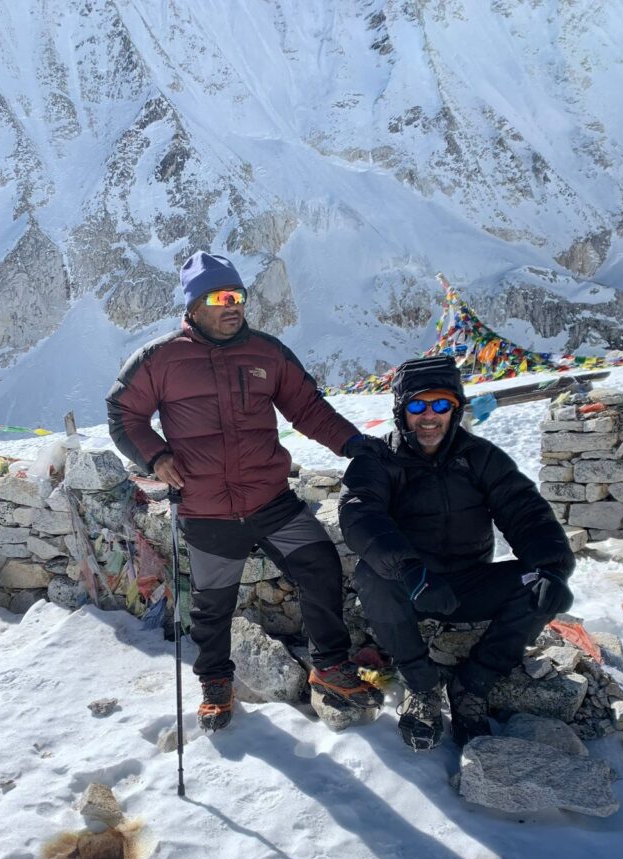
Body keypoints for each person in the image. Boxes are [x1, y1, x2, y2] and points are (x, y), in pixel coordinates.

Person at [107, 251, 383, 731]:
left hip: (269, 499)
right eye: (218, 297)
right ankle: (216, 684)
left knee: (319, 564)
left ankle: (331, 668)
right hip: (206, 508)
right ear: (193, 307)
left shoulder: (267, 352)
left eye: (237, 295)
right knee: (212, 606)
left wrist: (353, 444)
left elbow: (309, 410)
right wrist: (155, 457)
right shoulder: (160, 358)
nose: (232, 305)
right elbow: (123, 415)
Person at [338, 355, 575, 751]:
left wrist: (552, 567)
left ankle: (473, 684)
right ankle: (422, 685)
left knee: (538, 585)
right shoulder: (377, 460)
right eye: (417, 405)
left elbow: (524, 510)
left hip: (469, 583)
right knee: (370, 575)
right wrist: (410, 571)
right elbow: (359, 514)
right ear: (401, 411)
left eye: (440, 404)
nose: (428, 416)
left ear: (456, 408)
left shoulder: (480, 457)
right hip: (411, 585)